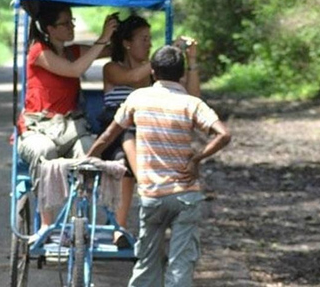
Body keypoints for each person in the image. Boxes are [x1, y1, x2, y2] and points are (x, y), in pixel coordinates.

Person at [87, 45, 231, 287]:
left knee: (147, 261)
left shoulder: (137, 98)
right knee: (181, 262)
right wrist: (196, 158)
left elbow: (108, 136)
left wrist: (87, 158)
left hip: (153, 196)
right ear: (182, 74)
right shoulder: (192, 103)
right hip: (185, 195)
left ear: (152, 72)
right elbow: (224, 135)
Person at [100, 14, 201, 247]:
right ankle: (120, 227)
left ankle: (169, 220)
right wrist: (165, 55)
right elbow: (133, 77)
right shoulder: (112, 69)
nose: (148, 45)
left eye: (150, 40)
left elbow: (193, 98)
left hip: (151, 132)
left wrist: (190, 60)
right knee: (124, 161)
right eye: (143, 40)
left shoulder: (156, 76)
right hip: (117, 133)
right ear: (127, 43)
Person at [17, 1, 118, 233]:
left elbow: (107, 50)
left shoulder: (73, 51)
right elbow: (75, 70)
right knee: (44, 152)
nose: (71, 27)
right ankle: (46, 224)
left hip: (71, 127)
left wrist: (118, 34)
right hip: (38, 128)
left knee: (90, 153)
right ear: (50, 29)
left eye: (71, 21)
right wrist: (102, 38)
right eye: (65, 23)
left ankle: (79, 216)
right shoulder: (38, 52)